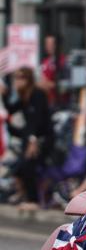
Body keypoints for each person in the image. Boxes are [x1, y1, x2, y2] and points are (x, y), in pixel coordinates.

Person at [2, 67, 55, 208]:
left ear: (29, 79)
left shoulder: (37, 94)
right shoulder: (25, 96)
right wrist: (4, 94)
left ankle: (34, 200)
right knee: (18, 167)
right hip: (30, 138)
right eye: (17, 78)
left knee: (28, 165)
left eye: (22, 77)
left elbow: (36, 120)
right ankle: (24, 194)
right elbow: (11, 108)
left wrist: (32, 140)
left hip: (42, 139)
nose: (18, 81)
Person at [38, 35, 67, 109]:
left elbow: (65, 85)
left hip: (59, 103)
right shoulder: (45, 62)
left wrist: (48, 84)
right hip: (46, 102)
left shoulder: (63, 61)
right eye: (46, 44)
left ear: (57, 45)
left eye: (50, 44)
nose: (47, 46)